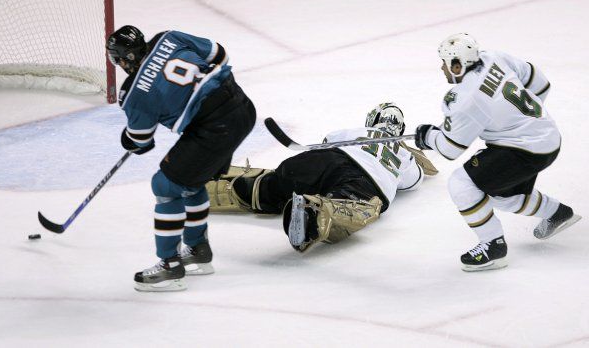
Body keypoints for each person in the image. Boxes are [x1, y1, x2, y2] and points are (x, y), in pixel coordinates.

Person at [414, 32, 581, 272]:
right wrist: (522, 120)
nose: (442, 68)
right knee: (498, 195)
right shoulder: (494, 58)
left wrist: (428, 136)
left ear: (457, 65)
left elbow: (450, 149)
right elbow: (540, 84)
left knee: (462, 185)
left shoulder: (463, 99)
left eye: (444, 63)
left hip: (523, 150)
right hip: (548, 137)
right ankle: (558, 213)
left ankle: (493, 247)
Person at [106, 25, 256, 291]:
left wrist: (128, 139)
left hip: (215, 128)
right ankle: (198, 250)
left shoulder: (134, 94)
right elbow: (220, 55)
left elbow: (141, 142)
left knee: (165, 185)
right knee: (189, 182)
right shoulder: (169, 37)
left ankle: (169, 266)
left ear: (124, 58)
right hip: (242, 107)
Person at [206, 102, 437, 251]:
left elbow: (327, 141)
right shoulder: (405, 153)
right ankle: (312, 213)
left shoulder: (353, 131)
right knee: (348, 204)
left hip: (328, 159)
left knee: (278, 183)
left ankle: (236, 188)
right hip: (367, 182)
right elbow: (412, 182)